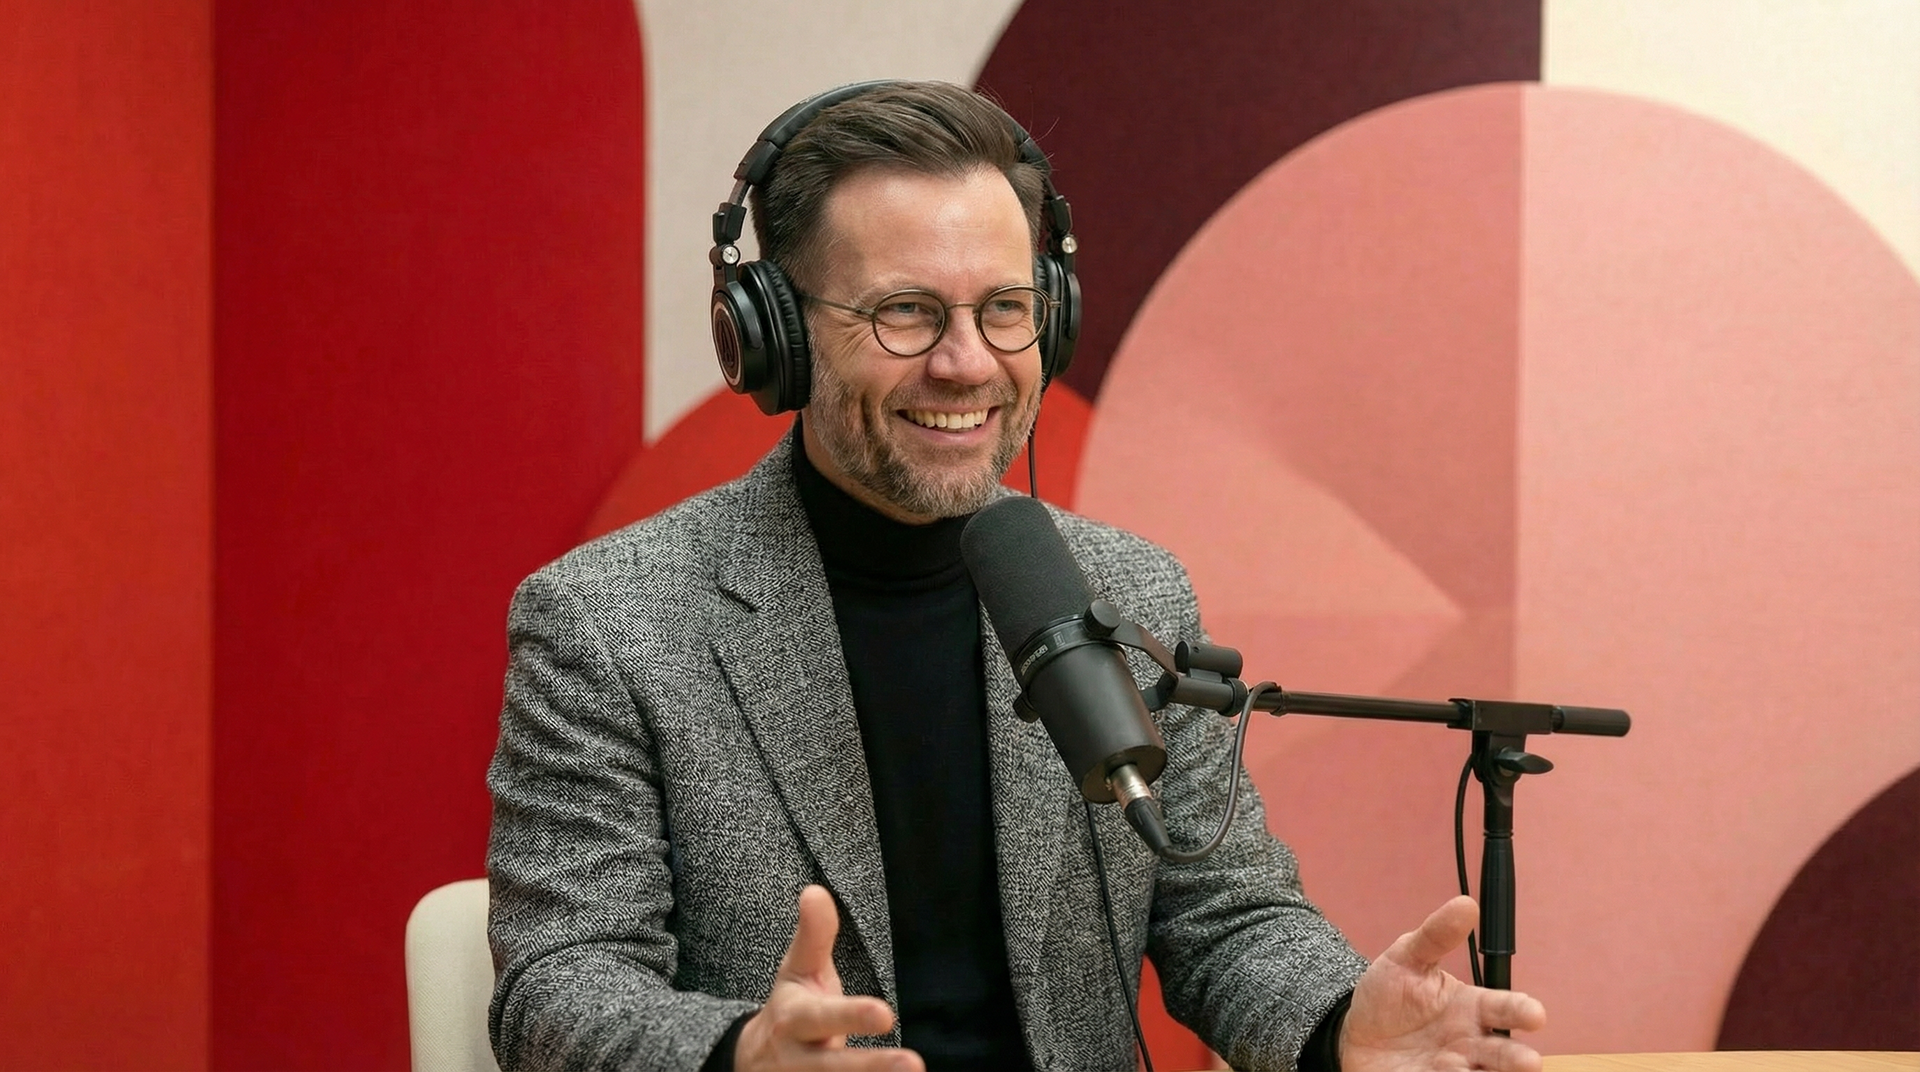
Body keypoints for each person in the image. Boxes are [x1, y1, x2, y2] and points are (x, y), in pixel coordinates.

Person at [486, 80, 1547, 1072]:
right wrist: (737, 1053)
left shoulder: (1129, 590)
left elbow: (1225, 912)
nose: (967, 364)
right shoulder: (608, 621)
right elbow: (559, 983)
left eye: (1004, 307)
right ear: (778, 334)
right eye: (906, 311)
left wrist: (1336, 1024)